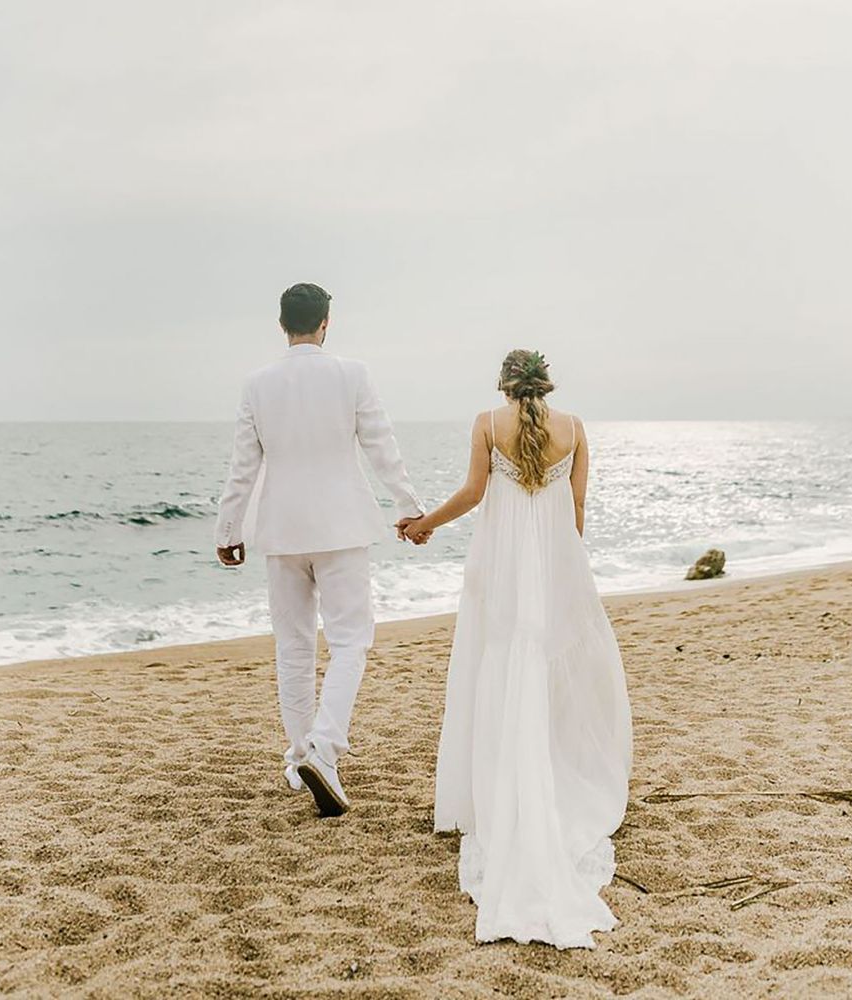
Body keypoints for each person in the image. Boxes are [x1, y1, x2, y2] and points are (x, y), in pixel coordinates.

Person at [401, 349, 633, 949]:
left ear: (503, 385)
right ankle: (552, 774)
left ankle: (503, 784)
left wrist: (425, 521)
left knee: (500, 671)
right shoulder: (575, 428)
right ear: (546, 383)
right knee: (556, 674)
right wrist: (563, 569)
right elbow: (576, 512)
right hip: (555, 573)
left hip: (501, 575)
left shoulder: (487, 422)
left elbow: (474, 493)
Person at [214, 282, 427, 818]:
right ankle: (324, 750)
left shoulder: (256, 384)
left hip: (282, 532)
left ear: (281, 325)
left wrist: (228, 530)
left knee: (293, 647)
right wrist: (410, 506)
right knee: (352, 642)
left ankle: (298, 756)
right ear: (326, 323)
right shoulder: (351, 374)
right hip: (342, 528)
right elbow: (382, 446)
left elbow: (244, 466)